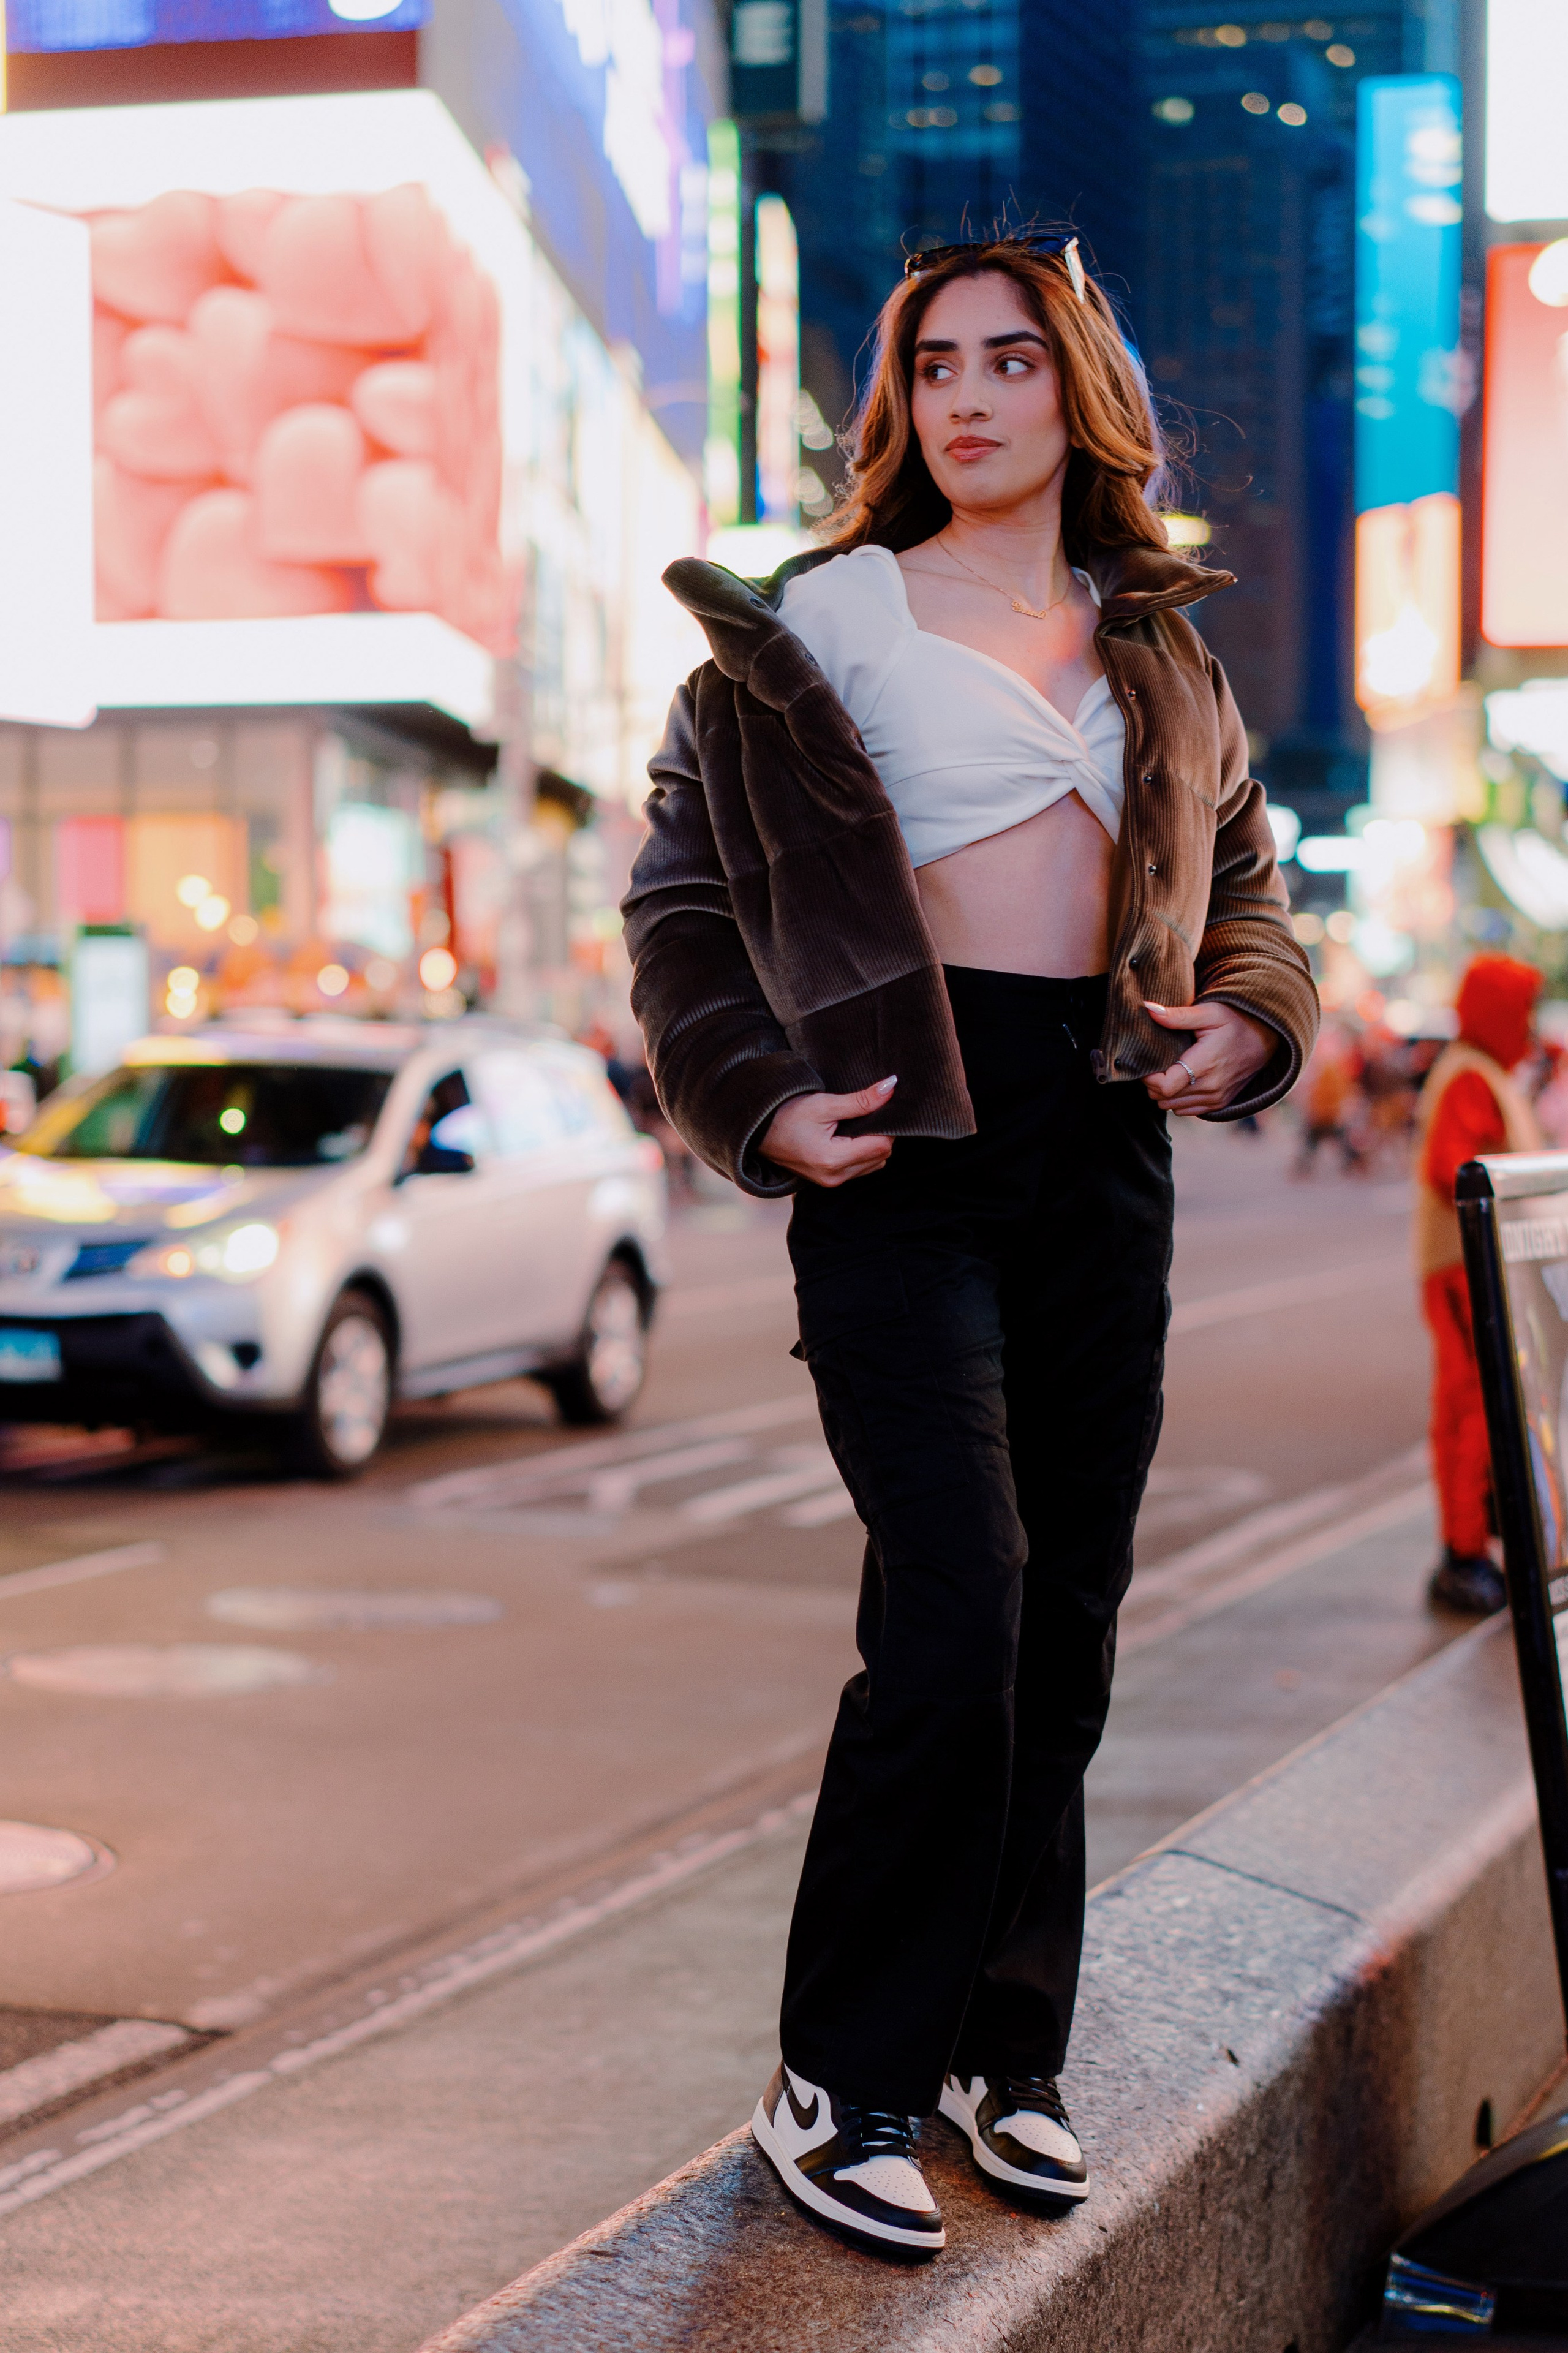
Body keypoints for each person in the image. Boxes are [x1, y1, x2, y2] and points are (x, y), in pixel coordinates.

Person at [622, 232, 1318, 2257]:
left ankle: (1002, 2053)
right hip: (897, 1153)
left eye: (1016, 360)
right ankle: (838, 2075)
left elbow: (1249, 887)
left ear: (1074, 390)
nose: (975, 399)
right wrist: (752, 1088)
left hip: (1100, 1147)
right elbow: (681, 903)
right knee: (960, 1602)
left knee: (1071, 1620)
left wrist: (1248, 1016)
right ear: (901, 405)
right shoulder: (813, 631)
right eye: (940, 366)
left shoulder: (1155, 652)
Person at [1416, 953, 1542, 1616]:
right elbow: (1453, 1171)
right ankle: (1463, 1552)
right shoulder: (1471, 1076)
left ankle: (1478, 1540)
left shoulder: (1483, 1070)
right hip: (1464, 1268)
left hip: (1476, 1267)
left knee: (1482, 1406)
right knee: (1470, 1408)